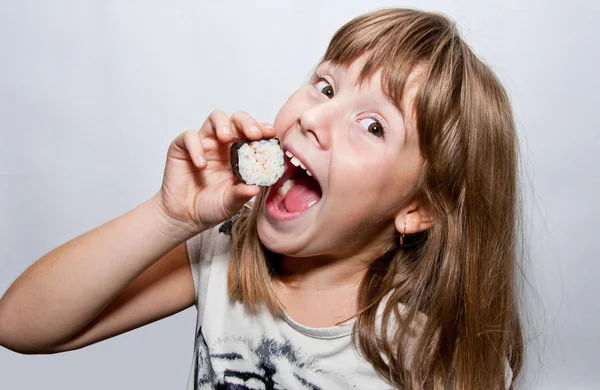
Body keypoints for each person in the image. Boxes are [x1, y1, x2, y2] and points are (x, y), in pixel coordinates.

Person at [0, 8, 524, 389]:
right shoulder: (225, 253)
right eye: (325, 87)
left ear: (418, 209)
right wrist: (168, 216)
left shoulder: (433, 359)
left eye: (372, 125)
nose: (314, 118)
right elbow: (20, 325)